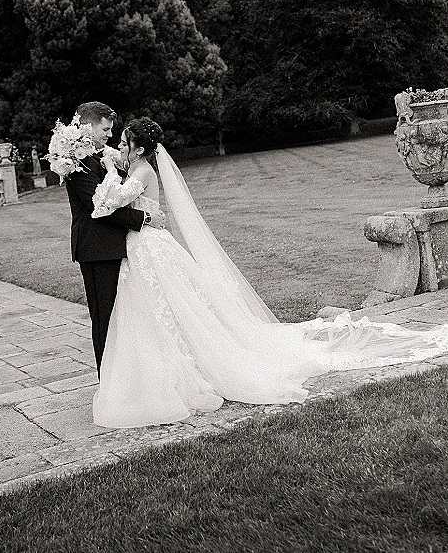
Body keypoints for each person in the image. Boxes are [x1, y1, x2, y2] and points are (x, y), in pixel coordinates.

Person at [90, 117, 448, 429]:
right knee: (157, 309)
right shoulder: (137, 168)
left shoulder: (138, 172)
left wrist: (105, 171)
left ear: (138, 149)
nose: (119, 147)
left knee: (170, 307)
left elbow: (107, 204)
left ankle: (181, 371)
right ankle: (161, 370)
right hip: (144, 247)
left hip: (150, 247)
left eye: (124, 143)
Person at [64, 102, 164, 376]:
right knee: (105, 318)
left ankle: (130, 378)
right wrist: (144, 219)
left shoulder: (97, 155)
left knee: (126, 316)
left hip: (118, 246)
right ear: (88, 125)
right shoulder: (76, 162)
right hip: (97, 249)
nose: (110, 135)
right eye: (106, 129)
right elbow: (101, 209)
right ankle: (108, 382)